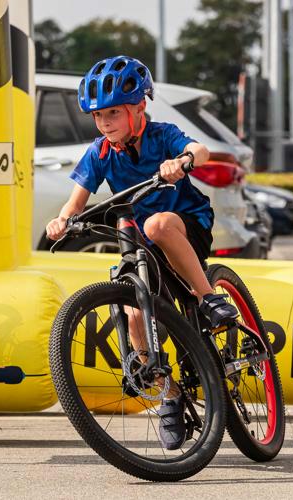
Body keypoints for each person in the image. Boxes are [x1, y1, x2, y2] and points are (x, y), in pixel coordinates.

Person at [44, 55, 238, 450]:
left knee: (157, 224)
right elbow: (76, 200)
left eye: (113, 113)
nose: (105, 123)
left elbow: (199, 149)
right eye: (97, 116)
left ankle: (208, 298)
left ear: (139, 107)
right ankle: (166, 396)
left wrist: (181, 161)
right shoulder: (100, 152)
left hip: (184, 225)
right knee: (133, 310)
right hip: (140, 240)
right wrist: (62, 220)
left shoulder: (162, 134)